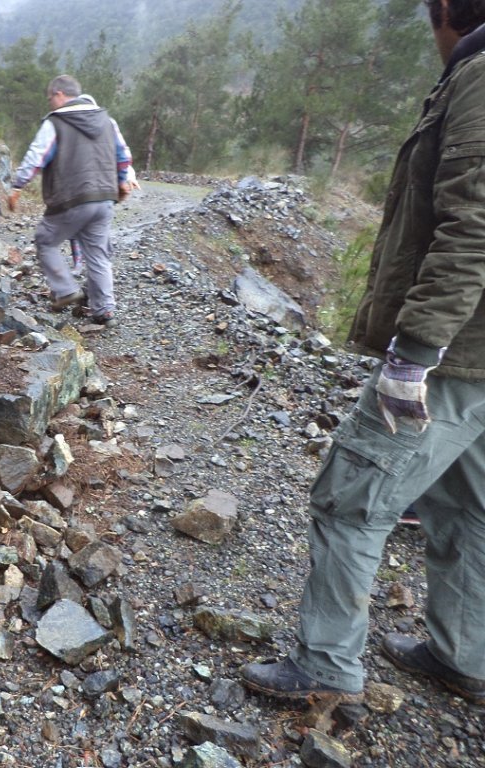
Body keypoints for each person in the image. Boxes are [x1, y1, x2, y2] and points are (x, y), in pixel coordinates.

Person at [240, 0, 485, 707]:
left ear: (446, 10)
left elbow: (473, 224)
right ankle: (465, 654)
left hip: (457, 353)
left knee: (352, 499)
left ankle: (325, 667)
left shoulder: (479, 73)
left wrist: (416, 351)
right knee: (468, 503)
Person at [7, 77, 134, 328]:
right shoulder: (107, 120)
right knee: (97, 254)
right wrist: (122, 181)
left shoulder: (56, 122)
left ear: (59, 94)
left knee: (45, 240)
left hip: (71, 198)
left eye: (50, 98)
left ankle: (65, 290)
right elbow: (123, 155)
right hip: (104, 198)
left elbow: (37, 156)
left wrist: (18, 185)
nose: (50, 103)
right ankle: (104, 310)